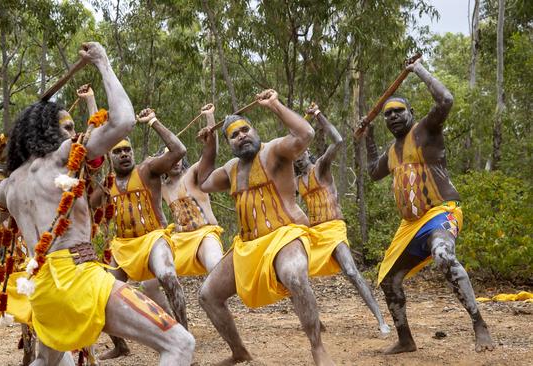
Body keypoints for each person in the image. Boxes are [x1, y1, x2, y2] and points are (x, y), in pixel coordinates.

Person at [0, 42, 194, 365]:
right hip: (79, 277)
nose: (74, 132)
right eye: (67, 127)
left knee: (48, 361)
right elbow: (123, 122)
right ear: (49, 130)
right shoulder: (63, 156)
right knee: (181, 343)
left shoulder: (9, 185)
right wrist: (103, 62)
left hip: (44, 292)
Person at [363, 59, 494, 354]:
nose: (394, 116)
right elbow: (373, 172)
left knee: (443, 255)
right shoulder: (392, 152)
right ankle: (406, 339)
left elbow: (446, 99)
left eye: (399, 111)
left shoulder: (426, 130)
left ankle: (479, 323)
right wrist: (369, 137)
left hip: (440, 213)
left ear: (413, 113)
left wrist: (417, 69)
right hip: (409, 226)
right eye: (388, 114)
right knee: (388, 280)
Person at [196, 89, 334, 365]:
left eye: (245, 129)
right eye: (234, 135)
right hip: (247, 246)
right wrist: (209, 146)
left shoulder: (274, 150)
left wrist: (274, 105)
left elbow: (306, 134)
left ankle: (318, 347)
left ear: (255, 130)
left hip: (285, 235)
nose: (241, 136)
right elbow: (204, 182)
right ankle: (239, 352)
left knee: (293, 274)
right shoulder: (231, 168)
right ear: (230, 144)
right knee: (208, 295)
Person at [97, 107, 190, 359]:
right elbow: (87, 203)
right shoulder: (106, 185)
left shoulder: (148, 169)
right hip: (123, 246)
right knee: (99, 290)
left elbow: (179, 151)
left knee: (167, 275)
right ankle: (120, 346)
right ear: (110, 157)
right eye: (118, 151)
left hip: (153, 239)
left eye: (128, 150)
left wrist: (154, 122)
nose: (124, 154)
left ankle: (184, 335)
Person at [294, 104, 390, 336]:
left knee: (351, 271)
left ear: (308, 152)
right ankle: (314, 320)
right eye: (294, 155)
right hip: (313, 232)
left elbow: (337, 141)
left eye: (301, 153)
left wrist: (318, 115)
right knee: (292, 274)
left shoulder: (321, 168)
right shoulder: (296, 181)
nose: (297, 158)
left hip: (334, 228)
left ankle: (381, 319)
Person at [140, 103, 225, 316]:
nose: (175, 161)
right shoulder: (161, 187)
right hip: (178, 240)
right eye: (170, 158)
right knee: (148, 284)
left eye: (177, 157)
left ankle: (217, 307)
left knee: (216, 265)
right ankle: (173, 318)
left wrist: (209, 118)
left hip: (205, 234)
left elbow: (210, 153)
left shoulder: (195, 173)